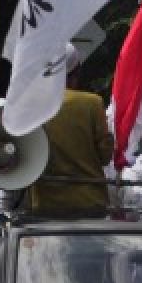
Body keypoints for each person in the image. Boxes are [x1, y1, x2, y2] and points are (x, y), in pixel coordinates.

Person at [27, 44, 115, 215]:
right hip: (90, 203)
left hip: (45, 206)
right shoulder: (93, 103)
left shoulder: (32, 106)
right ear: (77, 71)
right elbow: (105, 157)